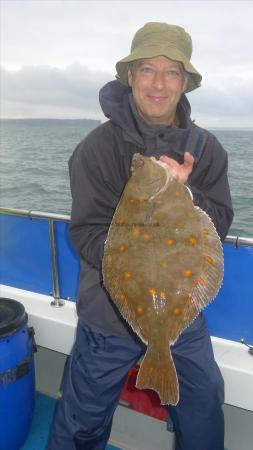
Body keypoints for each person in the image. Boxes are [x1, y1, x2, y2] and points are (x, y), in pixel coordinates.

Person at [47, 22, 233, 450]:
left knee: (204, 406)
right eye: (148, 69)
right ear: (129, 76)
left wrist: (185, 194)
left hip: (180, 315)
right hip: (108, 316)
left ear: (184, 82)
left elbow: (219, 221)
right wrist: (140, 232)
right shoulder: (95, 149)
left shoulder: (208, 149)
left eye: (171, 72)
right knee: (81, 423)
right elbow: (87, 233)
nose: (158, 83)